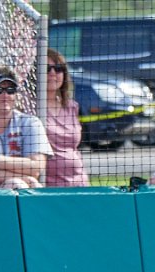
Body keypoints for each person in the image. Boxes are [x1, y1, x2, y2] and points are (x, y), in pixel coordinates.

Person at [0, 65, 53, 189]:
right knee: (19, 183)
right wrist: (26, 177)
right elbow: (31, 172)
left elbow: (36, 167)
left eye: (11, 90)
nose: (5, 95)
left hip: (19, 187)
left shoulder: (30, 123)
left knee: (23, 184)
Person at [45, 48, 89, 187]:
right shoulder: (30, 107)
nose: (53, 73)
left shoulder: (72, 106)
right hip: (48, 186)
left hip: (79, 183)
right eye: (46, 69)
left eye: (58, 68)